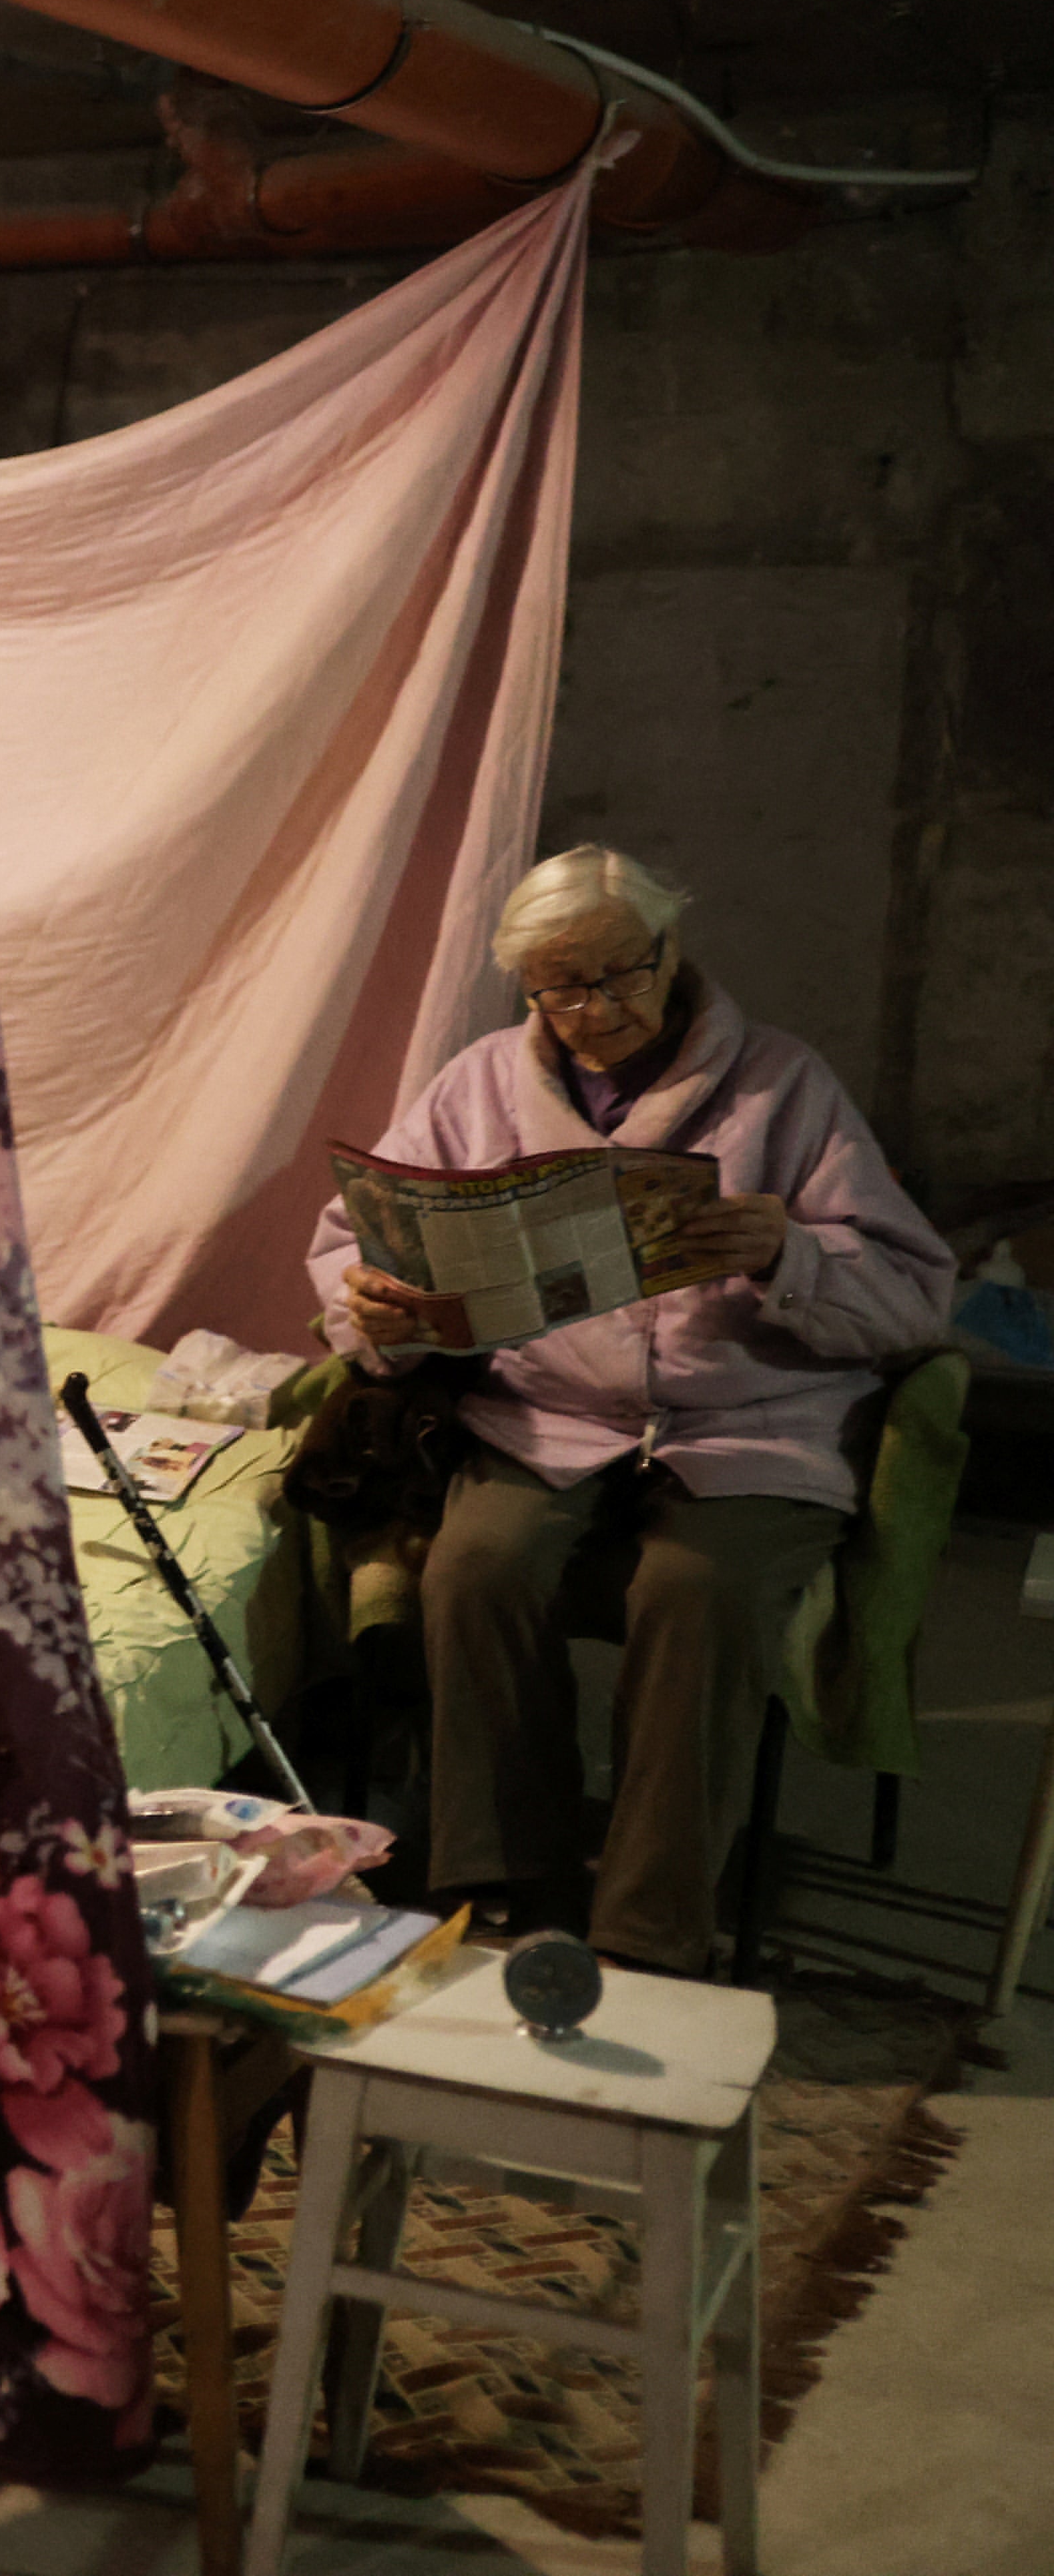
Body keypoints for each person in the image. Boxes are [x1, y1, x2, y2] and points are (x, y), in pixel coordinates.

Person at [307, 845, 952, 1973]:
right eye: (563, 985)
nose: (596, 1009)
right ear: (528, 988)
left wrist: (789, 1251)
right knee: (475, 1571)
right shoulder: (478, 1083)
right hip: (546, 1415)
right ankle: (509, 1878)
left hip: (750, 1423)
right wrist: (375, 1301)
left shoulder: (783, 1084)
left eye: (621, 974)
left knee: (697, 1588)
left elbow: (915, 1291)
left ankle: (652, 1928)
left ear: (671, 952)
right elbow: (350, 1243)